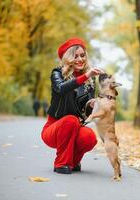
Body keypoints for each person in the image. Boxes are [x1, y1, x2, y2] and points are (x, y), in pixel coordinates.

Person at [41, 37, 104, 174]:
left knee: (89, 137)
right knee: (70, 120)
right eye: (75, 56)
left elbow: (85, 114)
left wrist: (92, 105)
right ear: (68, 58)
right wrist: (86, 76)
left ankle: (73, 161)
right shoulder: (57, 73)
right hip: (53, 128)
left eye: (82, 55)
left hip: (75, 127)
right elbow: (61, 89)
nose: (80, 59)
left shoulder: (90, 80)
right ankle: (61, 163)